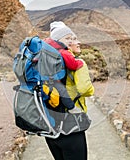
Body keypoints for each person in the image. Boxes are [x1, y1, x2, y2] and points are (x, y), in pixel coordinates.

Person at [44, 21, 94, 160]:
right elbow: (85, 89)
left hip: (51, 124)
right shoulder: (75, 61)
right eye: (70, 39)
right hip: (71, 124)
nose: (75, 42)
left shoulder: (47, 59)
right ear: (62, 42)